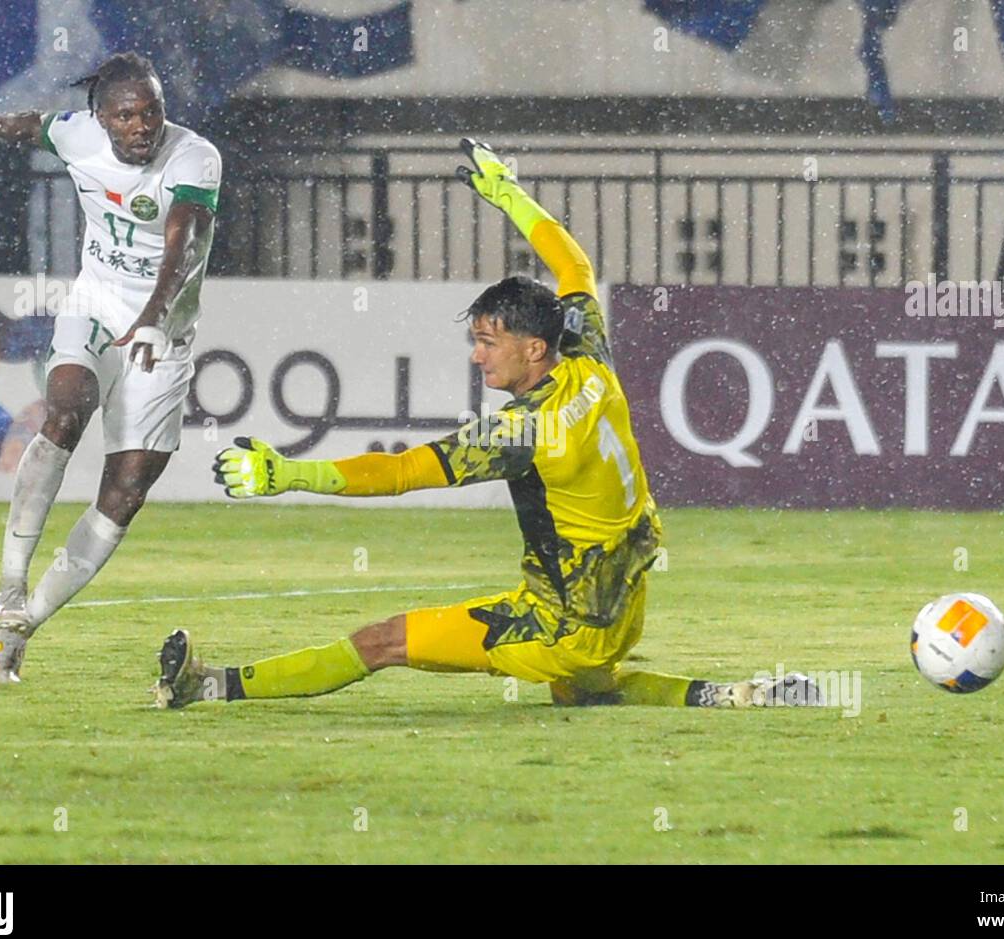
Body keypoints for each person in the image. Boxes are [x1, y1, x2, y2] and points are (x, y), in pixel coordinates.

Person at [155, 140, 821, 711]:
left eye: (487, 341)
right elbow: (576, 268)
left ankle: (211, 687)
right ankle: (738, 694)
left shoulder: (528, 431)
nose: (476, 354)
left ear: (533, 348)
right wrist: (509, 195)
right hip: (622, 598)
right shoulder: (589, 359)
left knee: (384, 639)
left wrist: (290, 473)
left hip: (562, 621)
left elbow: (404, 470)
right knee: (589, 691)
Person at [0, 52, 222, 683]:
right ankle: (8, 585)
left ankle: (21, 624)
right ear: (101, 118)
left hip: (163, 334)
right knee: (64, 409)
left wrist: (155, 315)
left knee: (125, 492)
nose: (143, 126)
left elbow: (184, 239)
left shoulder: (195, 157)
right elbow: (30, 126)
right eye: (127, 115)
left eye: (153, 112)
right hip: (94, 305)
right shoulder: (77, 134)